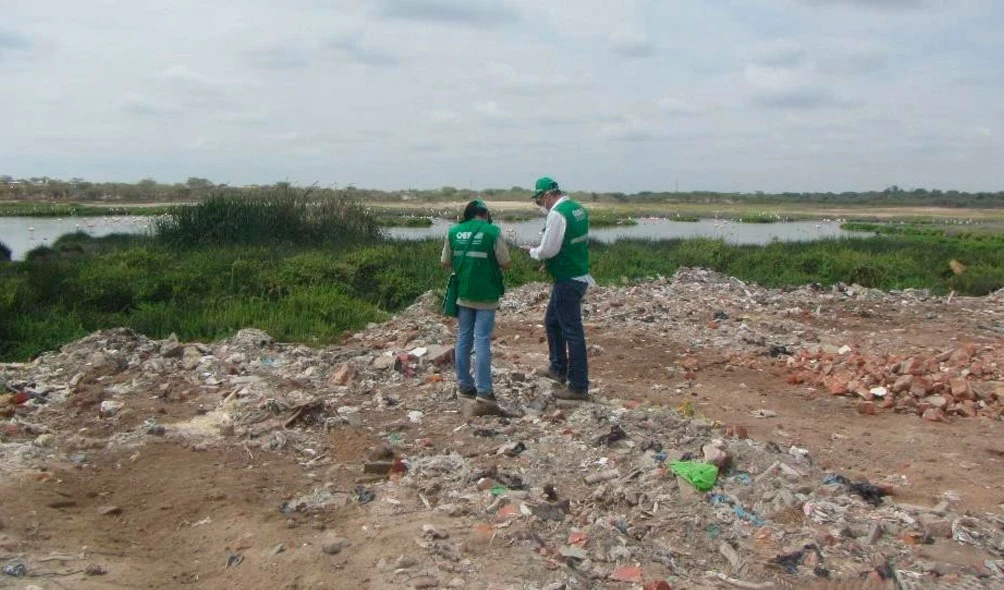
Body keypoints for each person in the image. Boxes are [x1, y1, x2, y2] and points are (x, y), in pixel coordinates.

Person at [525, 177, 594, 401]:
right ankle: (557, 368)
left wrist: (534, 252)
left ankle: (578, 386)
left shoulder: (557, 214)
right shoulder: (578, 209)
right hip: (577, 274)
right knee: (552, 321)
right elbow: (576, 242)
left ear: (546, 195)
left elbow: (549, 249)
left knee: (572, 332)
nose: (540, 205)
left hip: (568, 278)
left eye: (539, 200)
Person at [441, 199, 511, 413]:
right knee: (481, 341)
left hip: (463, 295)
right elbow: (506, 263)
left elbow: (445, 262)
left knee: (463, 338)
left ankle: (464, 385)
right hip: (487, 296)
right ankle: (484, 390)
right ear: (484, 214)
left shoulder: (454, 232)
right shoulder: (492, 232)